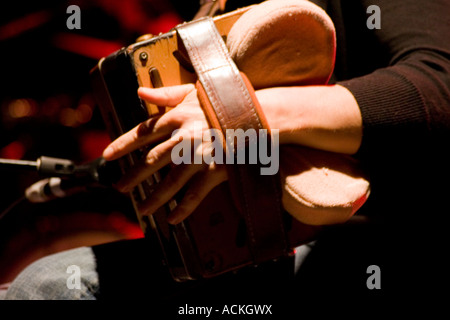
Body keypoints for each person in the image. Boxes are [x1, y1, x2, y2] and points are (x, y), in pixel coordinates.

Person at [3, 0, 450, 313]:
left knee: (51, 287)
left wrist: (235, 122)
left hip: (378, 239)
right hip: (260, 253)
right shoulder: (210, 8)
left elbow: (439, 89)